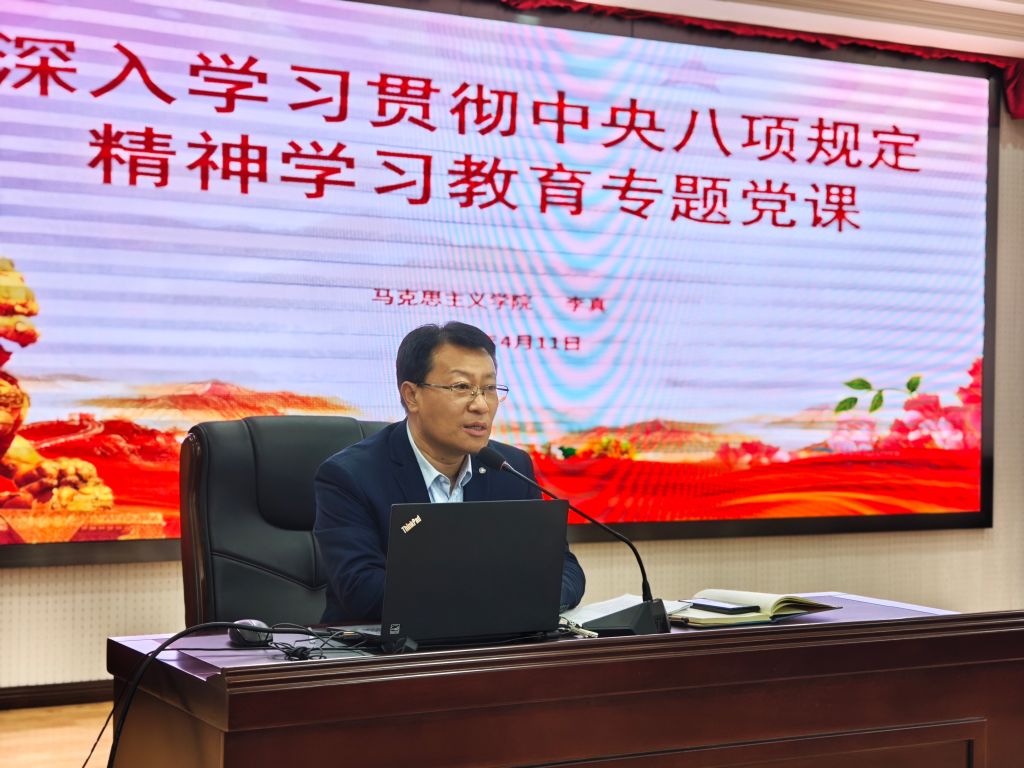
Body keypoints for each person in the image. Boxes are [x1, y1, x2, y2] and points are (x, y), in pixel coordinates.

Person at [314, 321, 586, 623]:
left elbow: (562, 568)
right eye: (461, 387)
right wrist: (497, 598)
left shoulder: (510, 468)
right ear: (412, 395)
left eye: (489, 388)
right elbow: (363, 590)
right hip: (386, 649)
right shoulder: (351, 476)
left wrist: (540, 600)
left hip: (494, 645)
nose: (481, 405)